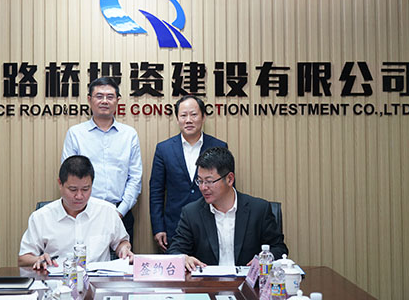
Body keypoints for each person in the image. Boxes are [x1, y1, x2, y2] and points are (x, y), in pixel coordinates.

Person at [167, 147, 287, 271]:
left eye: (209, 181)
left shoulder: (259, 209)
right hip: (208, 282)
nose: (203, 187)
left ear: (230, 179)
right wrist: (184, 258)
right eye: (200, 181)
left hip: (247, 281)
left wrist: (266, 258)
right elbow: (175, 251)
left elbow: (279, 248)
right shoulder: (191, 213)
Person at [61, 77, 142, 245]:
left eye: (110, 96)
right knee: (84, 259)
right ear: (89, 99)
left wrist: (119, 212)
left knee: (122, 259)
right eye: (99, 96)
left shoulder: (129, 134)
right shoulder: (76, 134)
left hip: (121, 213)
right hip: (84, 213)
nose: (105, 101)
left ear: (118, 100)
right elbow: (69, 176)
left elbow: (135, 178)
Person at [18, 155, 134, 270]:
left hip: (97, 279)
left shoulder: (107, 211)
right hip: (58, 279)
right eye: (73, 189)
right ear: (60, 183)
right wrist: (37, 259)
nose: (79, 196)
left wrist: (124, 249)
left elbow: (122, 243)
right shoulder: (41, 217)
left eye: (85, 189)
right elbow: (23, 259)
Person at [149, 95, 227, 251]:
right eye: (183, 115)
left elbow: (227, 189)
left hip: (212, 225)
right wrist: (158, 228)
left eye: (194, 114)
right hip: (174, 227)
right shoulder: (164, 149)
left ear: (203, 117)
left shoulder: (219, 147)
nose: (188, 120)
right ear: (177, 119)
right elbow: (156, 192)